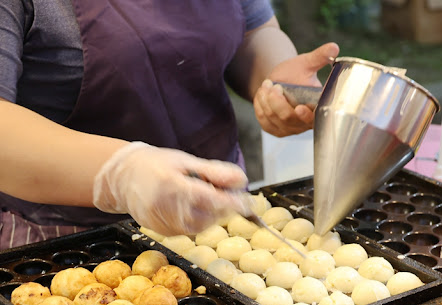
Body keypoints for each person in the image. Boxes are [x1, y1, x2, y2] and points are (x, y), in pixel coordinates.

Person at [0, 0, 339, 249]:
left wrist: (275, 83)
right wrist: (122, 173)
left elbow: (254, 29)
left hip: (223, 219)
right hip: (68, 241)